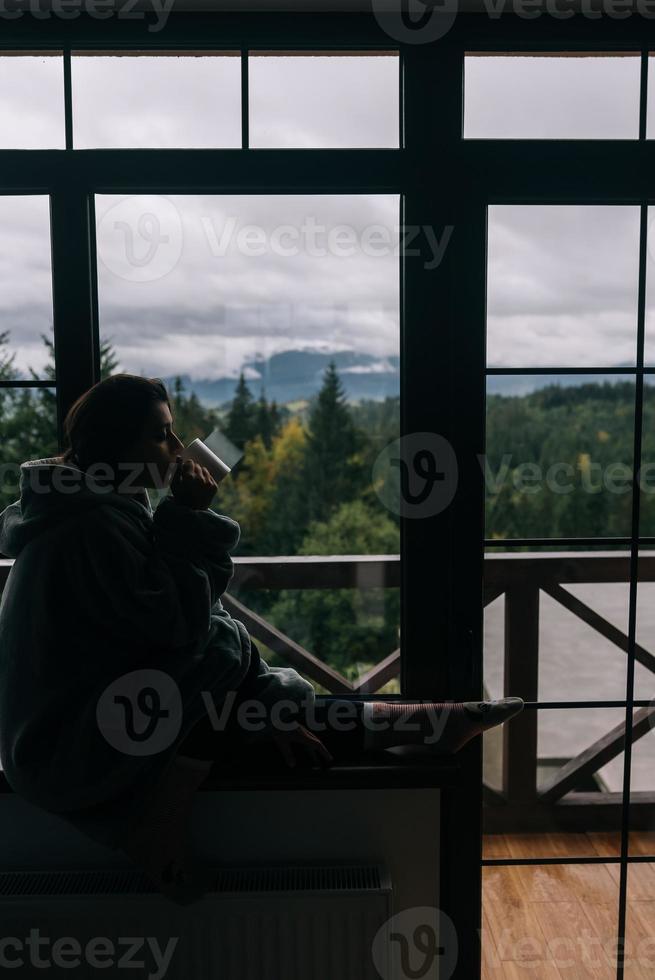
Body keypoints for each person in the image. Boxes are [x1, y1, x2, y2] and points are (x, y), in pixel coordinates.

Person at [0, 374, 523, 902]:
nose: (179, 449)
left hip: (92, 717)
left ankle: (421, 723)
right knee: (225, 672)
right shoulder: (90, 528)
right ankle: (157, 826)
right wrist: (185, 515)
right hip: (69, 744)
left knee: (246, 696)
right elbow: (179, 632)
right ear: (114, 445)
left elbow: (170, 629)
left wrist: (266, 703)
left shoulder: (99, 510)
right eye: (161, 435)